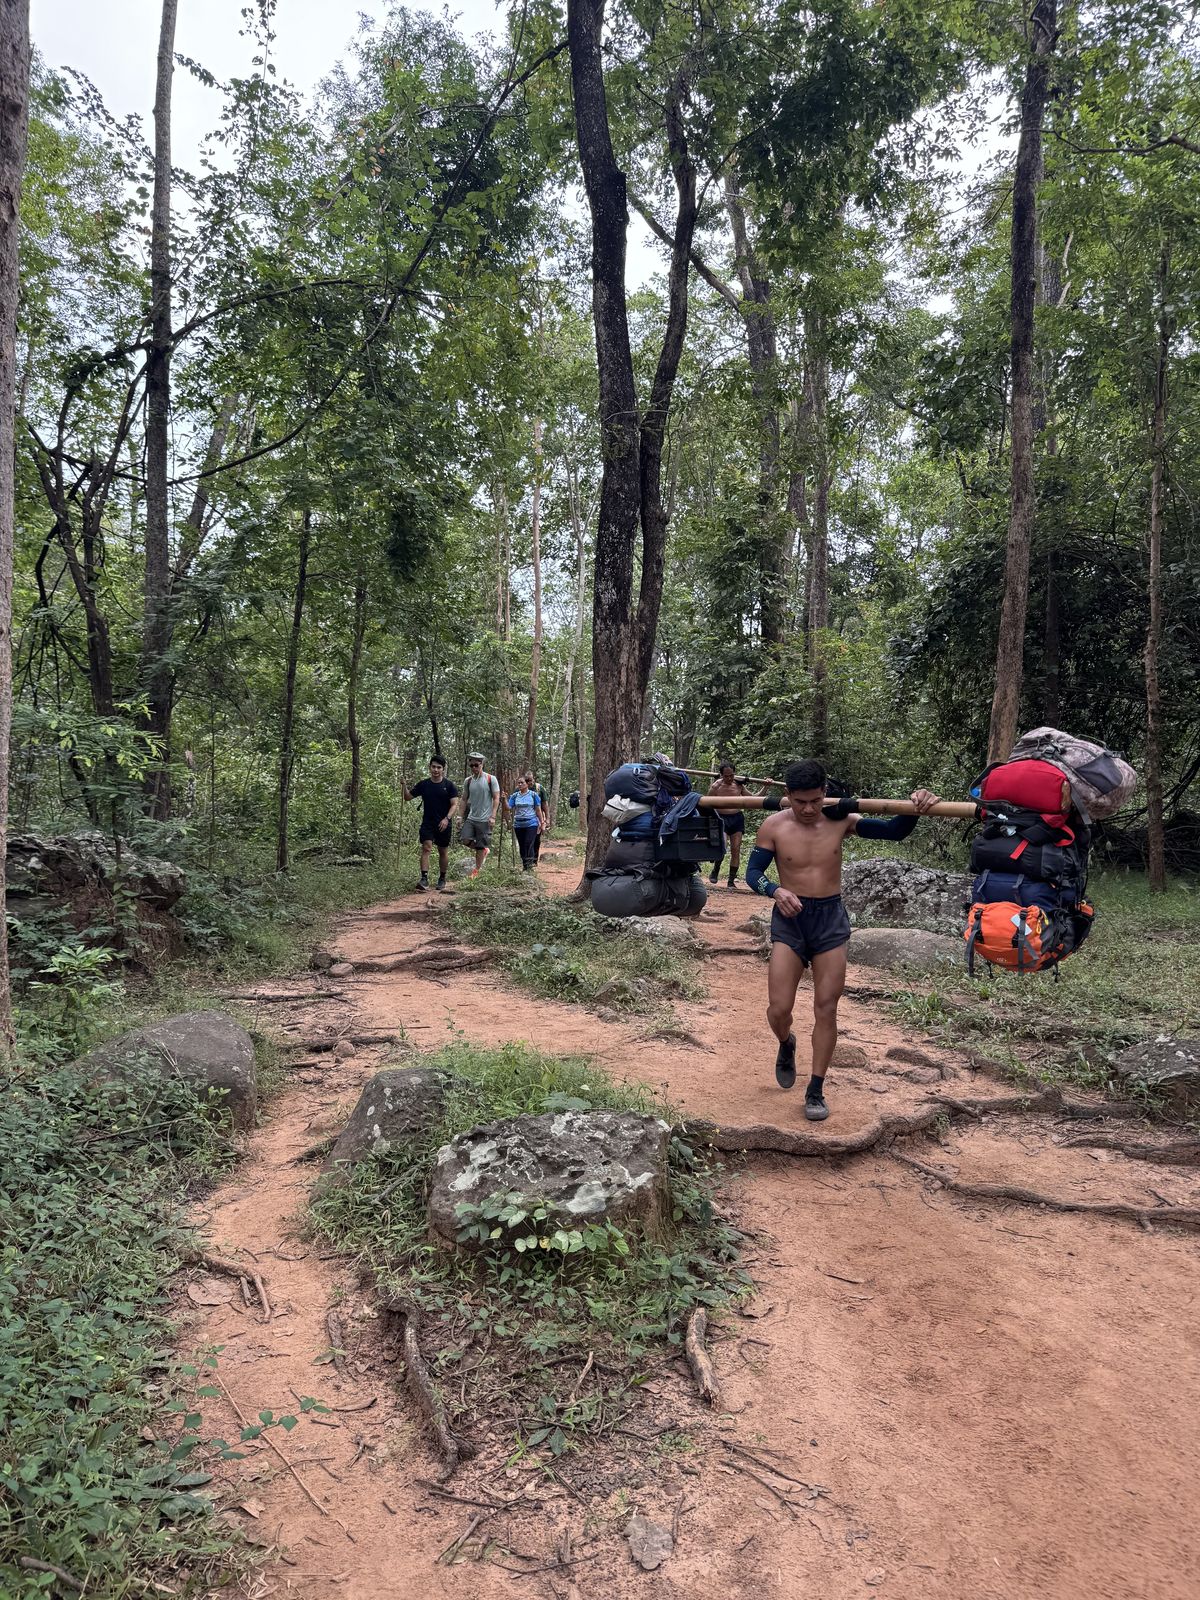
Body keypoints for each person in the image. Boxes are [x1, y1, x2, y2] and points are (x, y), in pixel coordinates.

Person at [745, 760, 941, 1123]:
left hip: (830, 921)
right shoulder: (773, 826)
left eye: (815, 801)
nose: (807, 809)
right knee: (778, 1008)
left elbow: (894, 832)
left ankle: (815, 1088)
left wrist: (917, 806)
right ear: (788, 796)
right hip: (790, 921)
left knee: (826, 1006)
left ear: (825, 795)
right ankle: (786, 1043)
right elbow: (752, 873)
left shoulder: (842, 820)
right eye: (800, 801)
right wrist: (775, 890)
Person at [403, 755, 458, 891]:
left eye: (439, 767)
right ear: (430, 767)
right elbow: (407, 797)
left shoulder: (449, 786)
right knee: (426, 847)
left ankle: (442, 878)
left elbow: (454, 804)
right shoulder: (424, 784)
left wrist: (447, 819)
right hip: (428, 822)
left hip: (444, 822)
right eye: (433, 767)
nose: (436, 770)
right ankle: (424, 879)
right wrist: (404, 786)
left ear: (443, 769)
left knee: (442, 851)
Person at [707, 762, 750, 889]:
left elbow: (754, 799)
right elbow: (707, 803)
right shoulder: (716, 786)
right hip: (722, 818)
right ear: (721, 775)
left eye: (731, 775)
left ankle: (731, 881)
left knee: (736, 849)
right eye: (726, 776)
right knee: (723, 846)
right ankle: (716, 869)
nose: (729, 778)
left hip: (737, 818)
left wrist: (766, 787)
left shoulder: (739, 785)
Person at [457, 753, 500, 877]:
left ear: (482, 764)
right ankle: (483, 850)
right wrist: (460, 816)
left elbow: (496, 798)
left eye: (476, 765)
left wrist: (493, 816)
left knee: (480, 845)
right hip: (471, 817)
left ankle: (477, 871)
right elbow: (464, 799)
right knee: (465, 839)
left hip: (484, 819)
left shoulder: (490, 779)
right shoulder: (468, 781)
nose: (474, 768)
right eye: (471, 765)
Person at [507, 774, 546, 871]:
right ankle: (525, 865)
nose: (520, 785)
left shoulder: (534, 795)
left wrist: (542, 822)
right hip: (518, 824)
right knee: (522, 844)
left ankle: (530, 864)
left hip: (531, 824)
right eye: (518, 783)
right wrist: (504, 800)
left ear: (527, 784)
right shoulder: (515, 796)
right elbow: (508, 807)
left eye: (522, 783)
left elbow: (538, 810)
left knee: (529, 843)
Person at [523, 769, 549, 860]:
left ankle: (534, 860)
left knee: (536, 839)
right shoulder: (520, 788)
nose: (528, 782)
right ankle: (527, 859)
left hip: (537, 818)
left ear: (533, 779)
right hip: (524, 818)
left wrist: (547, 818)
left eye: (530, 780)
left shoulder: (539, 788)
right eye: (526, 780)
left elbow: (544, 804)